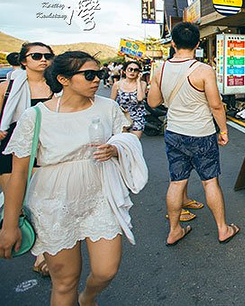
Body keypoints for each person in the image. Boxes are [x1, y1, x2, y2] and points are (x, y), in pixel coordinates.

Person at [0, 51, 145, 306]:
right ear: (63, 79)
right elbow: (19, 174)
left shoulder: (108, 108)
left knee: (106, 271)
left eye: (99, 74)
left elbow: (125, 140)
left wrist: (116, 149)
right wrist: (9, 225)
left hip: (100, 198)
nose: (97, 80)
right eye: (89, 75)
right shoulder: (36, 116)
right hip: (54, 203)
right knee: (65, 281)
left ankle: (88, 296)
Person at [147, 22, 239, 246]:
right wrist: (224, 130)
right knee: (210, 182)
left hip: (174, 133)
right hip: (202, 134)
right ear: (198, 43)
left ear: (173, 43)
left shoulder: (161, 69)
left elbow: (153, 102)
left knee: (177, 182)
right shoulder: (204, 70)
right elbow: (216, 106)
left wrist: (154, 81)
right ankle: (222, 229)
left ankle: (174, 230)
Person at [0, 42, 55, 277]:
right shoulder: (7, 87)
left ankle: (41, 255)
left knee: (42, 202)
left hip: (44, 149)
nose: (43, 60)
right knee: (18, 204)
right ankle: (23, 237)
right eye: (36, 56)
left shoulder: (57, 86)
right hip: (12, 150)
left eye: (47, 56)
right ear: (24, 60)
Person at [110, 60, 147, 139]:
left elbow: (140, 98)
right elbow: (112, 102)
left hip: (137, 117)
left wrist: (138, 81)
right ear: (124, 71)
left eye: (136, 70)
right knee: (123, 144)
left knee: (134, 143)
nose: (132, 72)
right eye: (130, 69)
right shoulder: (117, 84)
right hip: (121, 117)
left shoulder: (142, 84)